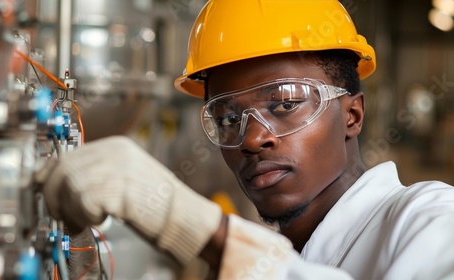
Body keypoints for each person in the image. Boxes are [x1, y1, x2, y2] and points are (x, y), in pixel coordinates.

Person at [37, 0, 454, 279]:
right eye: (228, 117)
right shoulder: (278, 254)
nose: (252, 138)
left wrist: (193, 226)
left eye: (286, 103)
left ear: (352, 115)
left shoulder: (433, 218)